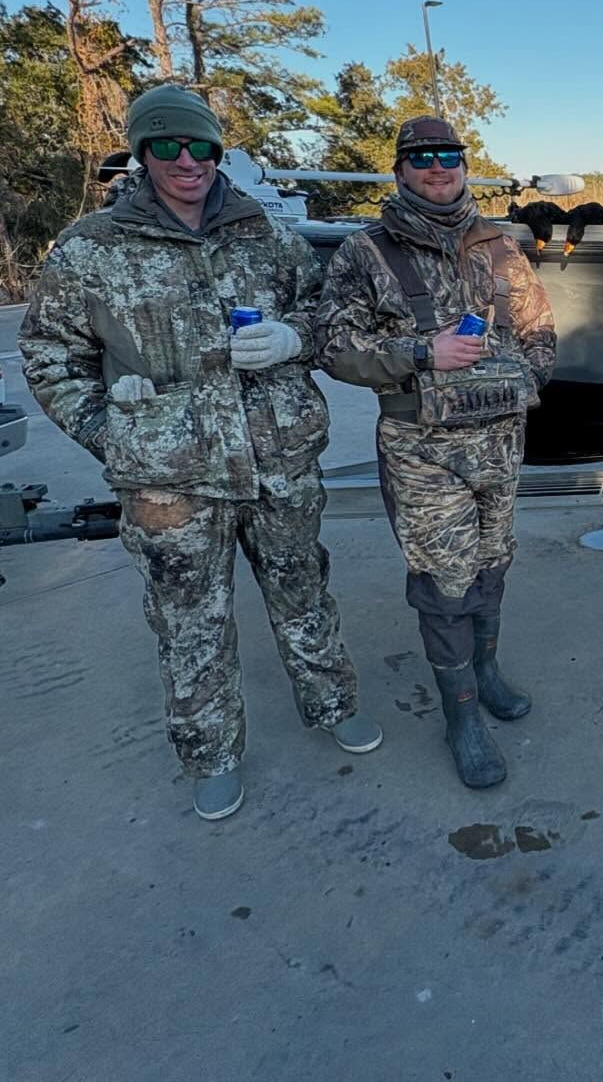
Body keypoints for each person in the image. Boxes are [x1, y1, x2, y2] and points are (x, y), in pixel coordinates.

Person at [19, 84, 381, 822]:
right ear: (140, 153)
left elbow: (325, 315)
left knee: (303, 590)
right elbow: (50, 355)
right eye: (166, 146)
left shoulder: (267, 235)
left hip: (277, 458)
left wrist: (296, 338)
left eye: (201, 146)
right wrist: (110, 431)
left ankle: (332, 703)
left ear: (219, 150)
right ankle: (210, 754)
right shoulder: (92, 247)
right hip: (169, 479)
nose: (186, 160)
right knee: (189, 621)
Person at [316, 116, 556, 789]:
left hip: (501, 442)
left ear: (463, 164)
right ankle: (462, 716)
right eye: (421, 157)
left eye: (448, 155)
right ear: (399, 170)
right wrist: (423, 353)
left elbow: (539, 327)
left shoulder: (503, 246)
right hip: (423, 452)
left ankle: (487, 672)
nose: (437, 166)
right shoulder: (365, 252)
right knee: (445, 586)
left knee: (494, 564)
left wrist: (523, 376)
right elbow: (331, 347)